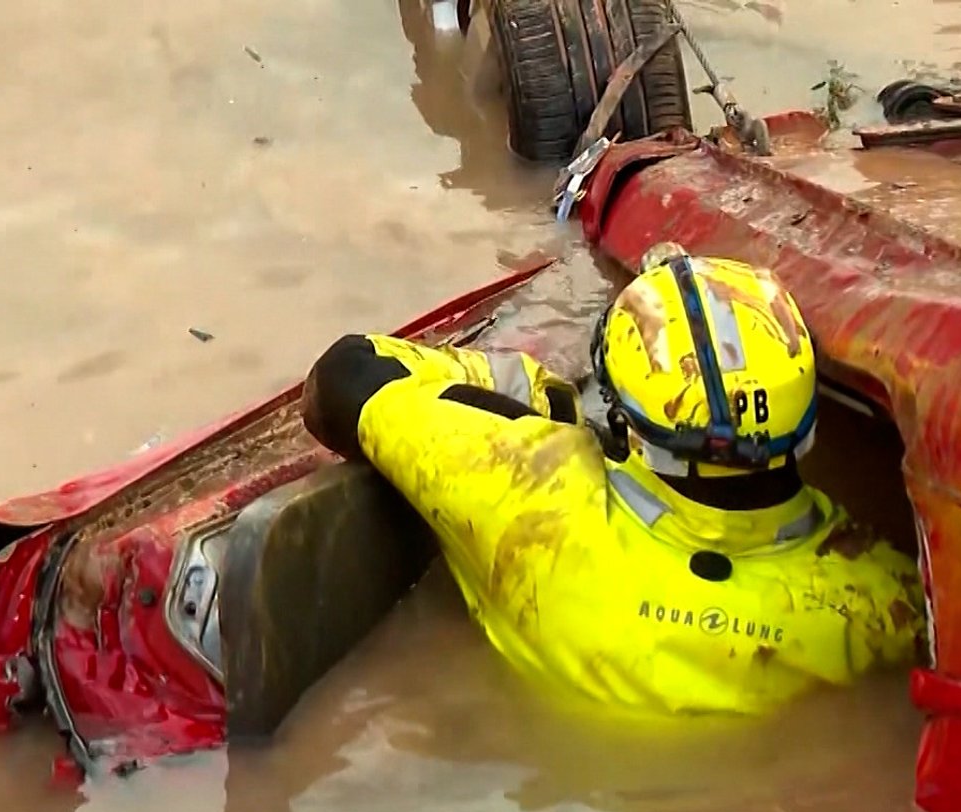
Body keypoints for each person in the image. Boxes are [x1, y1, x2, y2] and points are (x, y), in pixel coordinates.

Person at [298, 244, 926, 716]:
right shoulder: (888, 602)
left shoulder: (524, 489)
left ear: (624, 423)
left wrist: (538, 404)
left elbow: (344, 375)